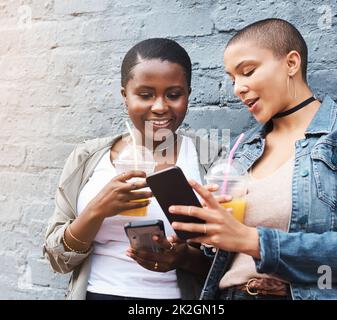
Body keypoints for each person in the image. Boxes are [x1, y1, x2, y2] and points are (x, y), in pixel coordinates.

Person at [167, 18, 337, 300]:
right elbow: (223, 254)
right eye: (233, 79)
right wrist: (203, 231)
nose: (238, 88)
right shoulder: (242, 147)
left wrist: (252, 240)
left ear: (292, 63)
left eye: (247, 72)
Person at [43, 38, 224, 300]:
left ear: (188, 94)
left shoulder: (209, 159)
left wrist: (183, 258)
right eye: (145, 94)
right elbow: (56, 258)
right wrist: (96, 210)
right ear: (124, 95)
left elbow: (231, 263)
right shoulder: (88, 157)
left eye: (174, 95)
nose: (160, 107)